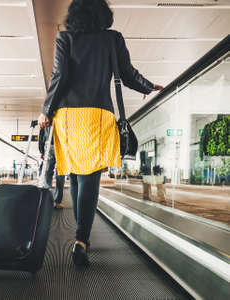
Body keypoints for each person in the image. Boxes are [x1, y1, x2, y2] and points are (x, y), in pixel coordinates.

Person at [37, 0, 163, 266]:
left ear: (75, 14)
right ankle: (81, 239)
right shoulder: (112, 39)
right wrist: (149, 86)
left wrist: (46, 111)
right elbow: (127, 74)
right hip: (98, 114)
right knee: (90, 178)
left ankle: (81, 236)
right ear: (103, 13)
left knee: (74, 172)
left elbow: (59, 76)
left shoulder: (65, 37)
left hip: (69, 116)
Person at [38, 127, 65, 209]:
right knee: (60, 174)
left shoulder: (46, 116)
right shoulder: (64, 115)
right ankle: (58, 201)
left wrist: (41, 150)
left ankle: (48, 199)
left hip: (50, 144)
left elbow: (41, 134)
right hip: (61, 144)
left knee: (48, 173)